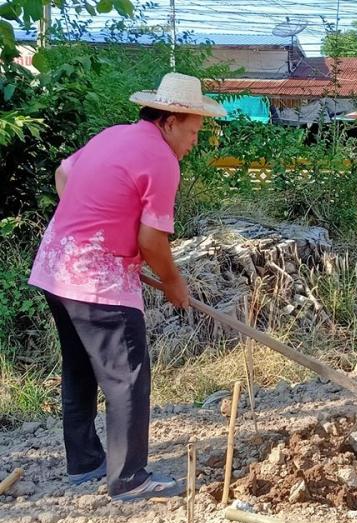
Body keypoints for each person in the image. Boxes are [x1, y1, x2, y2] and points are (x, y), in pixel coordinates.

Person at [28, 73, 226, 501]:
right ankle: (129, 478)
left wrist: (92, 225)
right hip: (97, 279)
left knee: (80, 368)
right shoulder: (161, 161)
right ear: (170, 121)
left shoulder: (112, 135)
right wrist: (174, 283)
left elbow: (65, 173)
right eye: (192, 131)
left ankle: (85, 463)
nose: (194, 141)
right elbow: (151, 241)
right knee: (127, 376)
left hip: (55, 265)